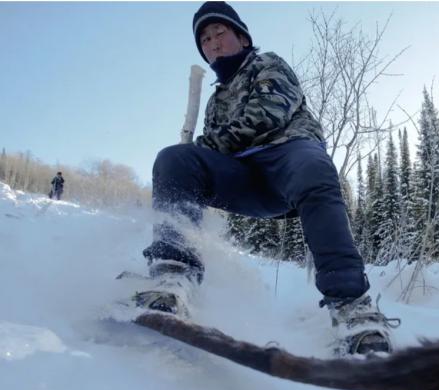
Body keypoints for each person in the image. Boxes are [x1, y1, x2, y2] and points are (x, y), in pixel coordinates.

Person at [136, 1, 397, 354]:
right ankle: (173, 274)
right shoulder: (215, 103)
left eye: (220, 33)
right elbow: (213, 154)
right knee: (174, 159)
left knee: (313, 166)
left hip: (286, 157)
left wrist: (209, 144)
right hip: (244, 178)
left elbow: (268, 113)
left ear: (241, 38)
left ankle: (352, 306)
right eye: (205, 39)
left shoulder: (267, 64)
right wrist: (193, 156)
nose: (213, 43)